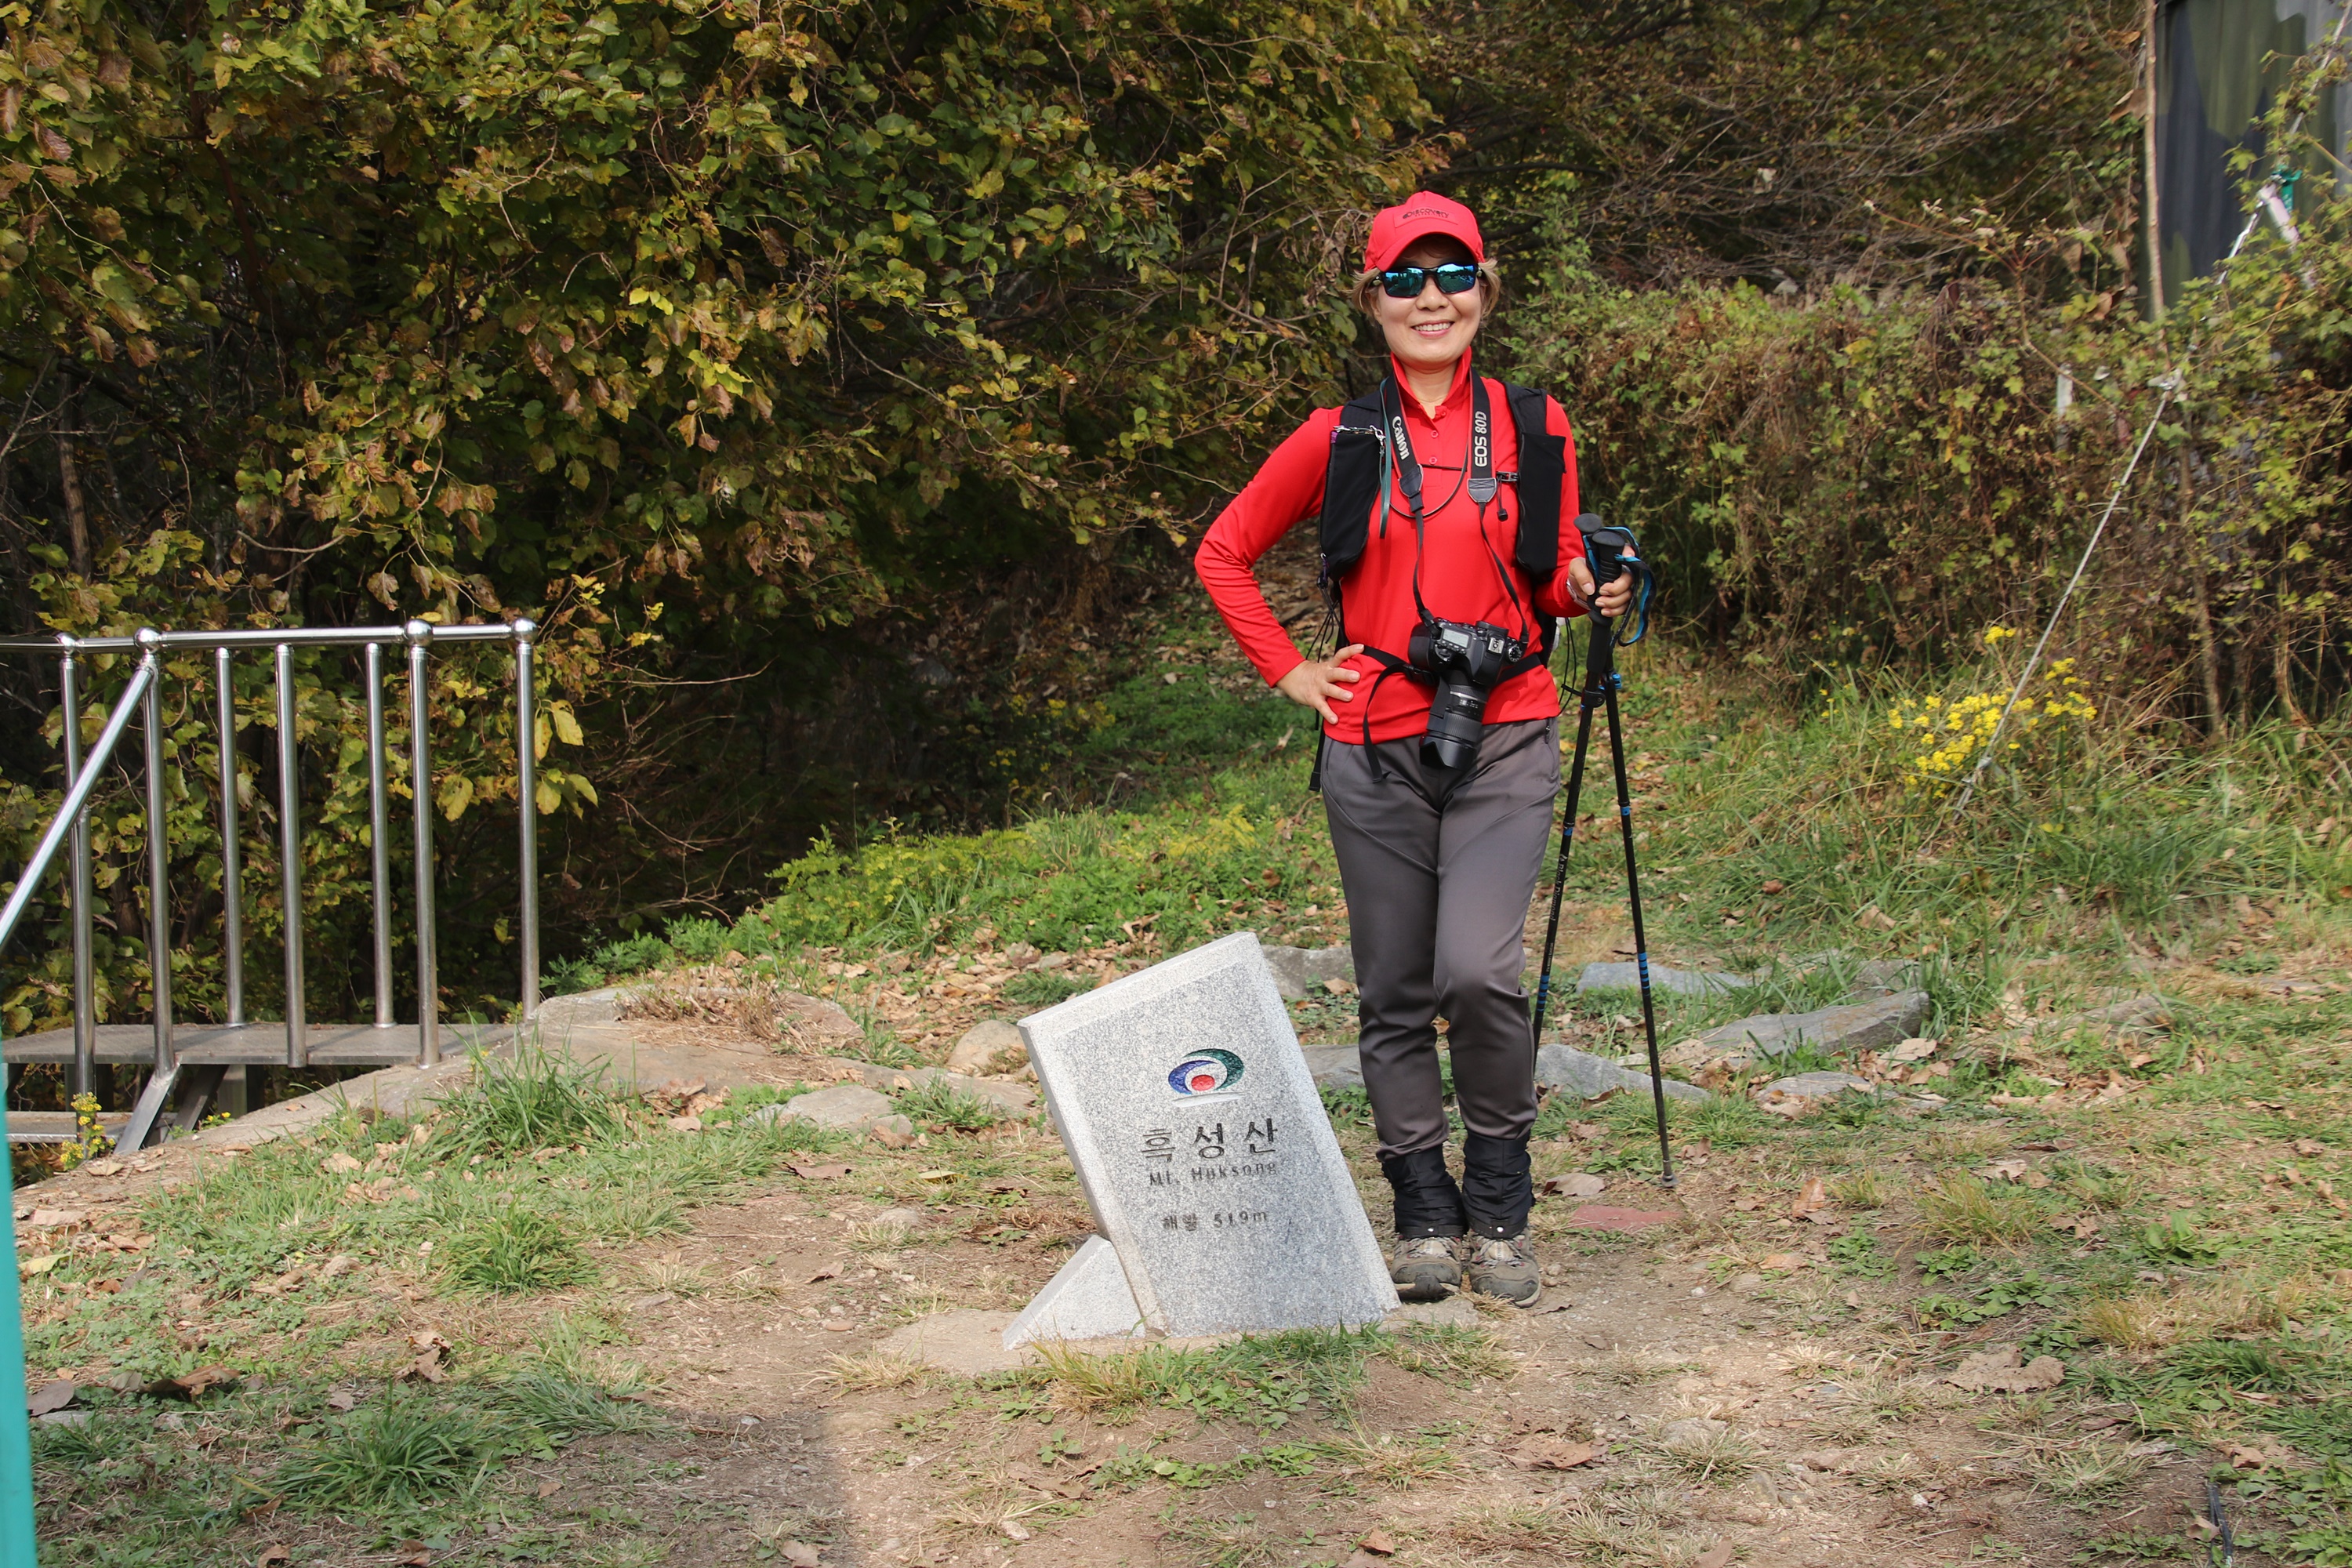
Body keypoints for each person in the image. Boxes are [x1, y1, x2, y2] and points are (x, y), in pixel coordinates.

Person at [1194, 192, 1633, 1306]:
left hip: (1506, 730)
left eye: (1452, 276)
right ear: (1373, 300)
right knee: (1393, 989)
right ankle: (1424, 1215)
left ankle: (1501, 1206)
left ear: (1484, 290)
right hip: (1374, 741)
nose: (1430, 299)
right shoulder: (1337, 436)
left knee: (1477, 972)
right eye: (1404, 279)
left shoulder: (1535, 423)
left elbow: (1554, 575)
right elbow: (1223, 552)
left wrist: (1591, 585)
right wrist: (1292, 671)